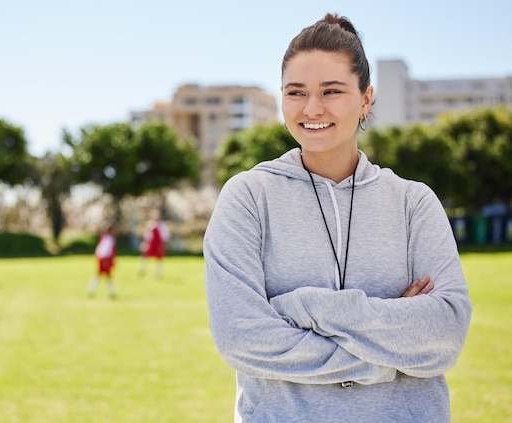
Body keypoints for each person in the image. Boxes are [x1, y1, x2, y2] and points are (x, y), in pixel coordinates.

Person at [203, 13, 472, 423]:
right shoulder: (248, 198)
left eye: (332, 90)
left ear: (366, 99)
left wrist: (303, 307)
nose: (312, 108)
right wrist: (386, 359)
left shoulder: (413, 202)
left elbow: (445, 333)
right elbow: (241, 338)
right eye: (296, 92)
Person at [88, 224, 117, 299]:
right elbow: (106, 250)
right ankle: (93, 290)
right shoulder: (109, 239)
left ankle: (93, 290)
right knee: (102, 275)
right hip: (105, 258)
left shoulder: (104, 237)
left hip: (103, 258)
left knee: (103, 275)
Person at [138, 209, 169, 278]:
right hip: (151, 243)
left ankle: (158, 273)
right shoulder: (149, 224)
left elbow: (165, 235)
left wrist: (165, 244)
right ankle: (143, 270)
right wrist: (145, 243)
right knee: (145, 256)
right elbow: (147, 235)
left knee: (159, 259)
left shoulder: (162, 225)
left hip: (159, 244)